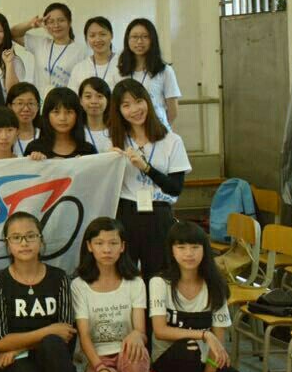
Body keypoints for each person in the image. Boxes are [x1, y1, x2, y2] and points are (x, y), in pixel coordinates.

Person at [149, 222, 261, 372]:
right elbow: (160, 330)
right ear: (171, 250)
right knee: (189, 347)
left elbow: (217, 345)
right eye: (181, 247)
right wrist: (203, 334)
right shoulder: (159, 282)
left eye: (195, 247)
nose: (188, 254)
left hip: (204, 362)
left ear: (204, 250)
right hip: (169, 360)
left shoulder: (216, 285)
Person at [0, 211, 79, 372]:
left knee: (53, 344)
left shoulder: (59, 278)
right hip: (18, 360)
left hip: (50, 353)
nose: (24, 243)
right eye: (16, 237)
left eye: (30, 236)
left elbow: (66, 332)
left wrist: (19, 346)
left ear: (41, 240)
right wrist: (47, 331)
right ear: (8, 245)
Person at [108, 78, 191, 291]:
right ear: (118, 110)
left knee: (158, 279)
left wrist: (146, 168)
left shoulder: (172, 141)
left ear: (148, 101)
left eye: (138, 101)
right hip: (126, 213)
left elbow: (175, 187)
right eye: (126, 105)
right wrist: (108, 163)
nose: (135, 110)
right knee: (125, 277)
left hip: (159, 214)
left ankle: (157, 314)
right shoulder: (114, 141)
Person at [73, 217, 148, 372]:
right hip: (98, 358)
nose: (107, 249)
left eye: (113, 243)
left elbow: (141, 331)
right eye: (99, 243)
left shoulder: (135, 282)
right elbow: (84, 335)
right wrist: (101, 369)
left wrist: (136, 335)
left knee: (137, 352)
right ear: (89, 246)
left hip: (127, 352)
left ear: (122, 246)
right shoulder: (79, 285)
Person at [117, 18, 181, 127]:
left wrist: (160, 128)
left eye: (145, 36)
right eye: (134, 37)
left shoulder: (165, 71)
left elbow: (173, 110)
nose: (139, 41)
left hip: (157, 129)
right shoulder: (119, 72)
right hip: (129, 131)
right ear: (127, 40)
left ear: (153, 40)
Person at [12, 3, 89, 94]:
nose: (56, 25)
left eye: (61, 20)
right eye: (51, 21)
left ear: (69, 22)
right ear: (46, 24)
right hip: (39, 100)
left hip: (65, 101)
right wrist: (30, 24)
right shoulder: (40, 44)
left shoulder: (81, 50)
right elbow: (13, 34)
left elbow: (84, 83)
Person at [27, 88, 98, 159]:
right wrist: (36, 161)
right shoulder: (35, 149)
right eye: (56, 112)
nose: (62, 118)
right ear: (47, 115)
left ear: (77, 115)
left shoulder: (88, 151)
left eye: (69, 112)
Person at [68, 17, 119, 92]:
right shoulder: (79, 68)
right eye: (92, 35)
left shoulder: (123, 64)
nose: (97, 39)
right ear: (86, 38)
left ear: (111, 35)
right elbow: (72, 97)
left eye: (102, 34)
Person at [6, 82, 42, 157]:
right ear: (10, 107)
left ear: (38, 107)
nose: (26, 109)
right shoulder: (3, 137)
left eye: (31, 103)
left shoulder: (45, 136)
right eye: (20, 103)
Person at [78, 77, 113, 152]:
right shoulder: (75, 131)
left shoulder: (116, 131)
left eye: (99, 96)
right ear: (80, 100)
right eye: (88, 96)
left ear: (108, 100)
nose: (94, 101)